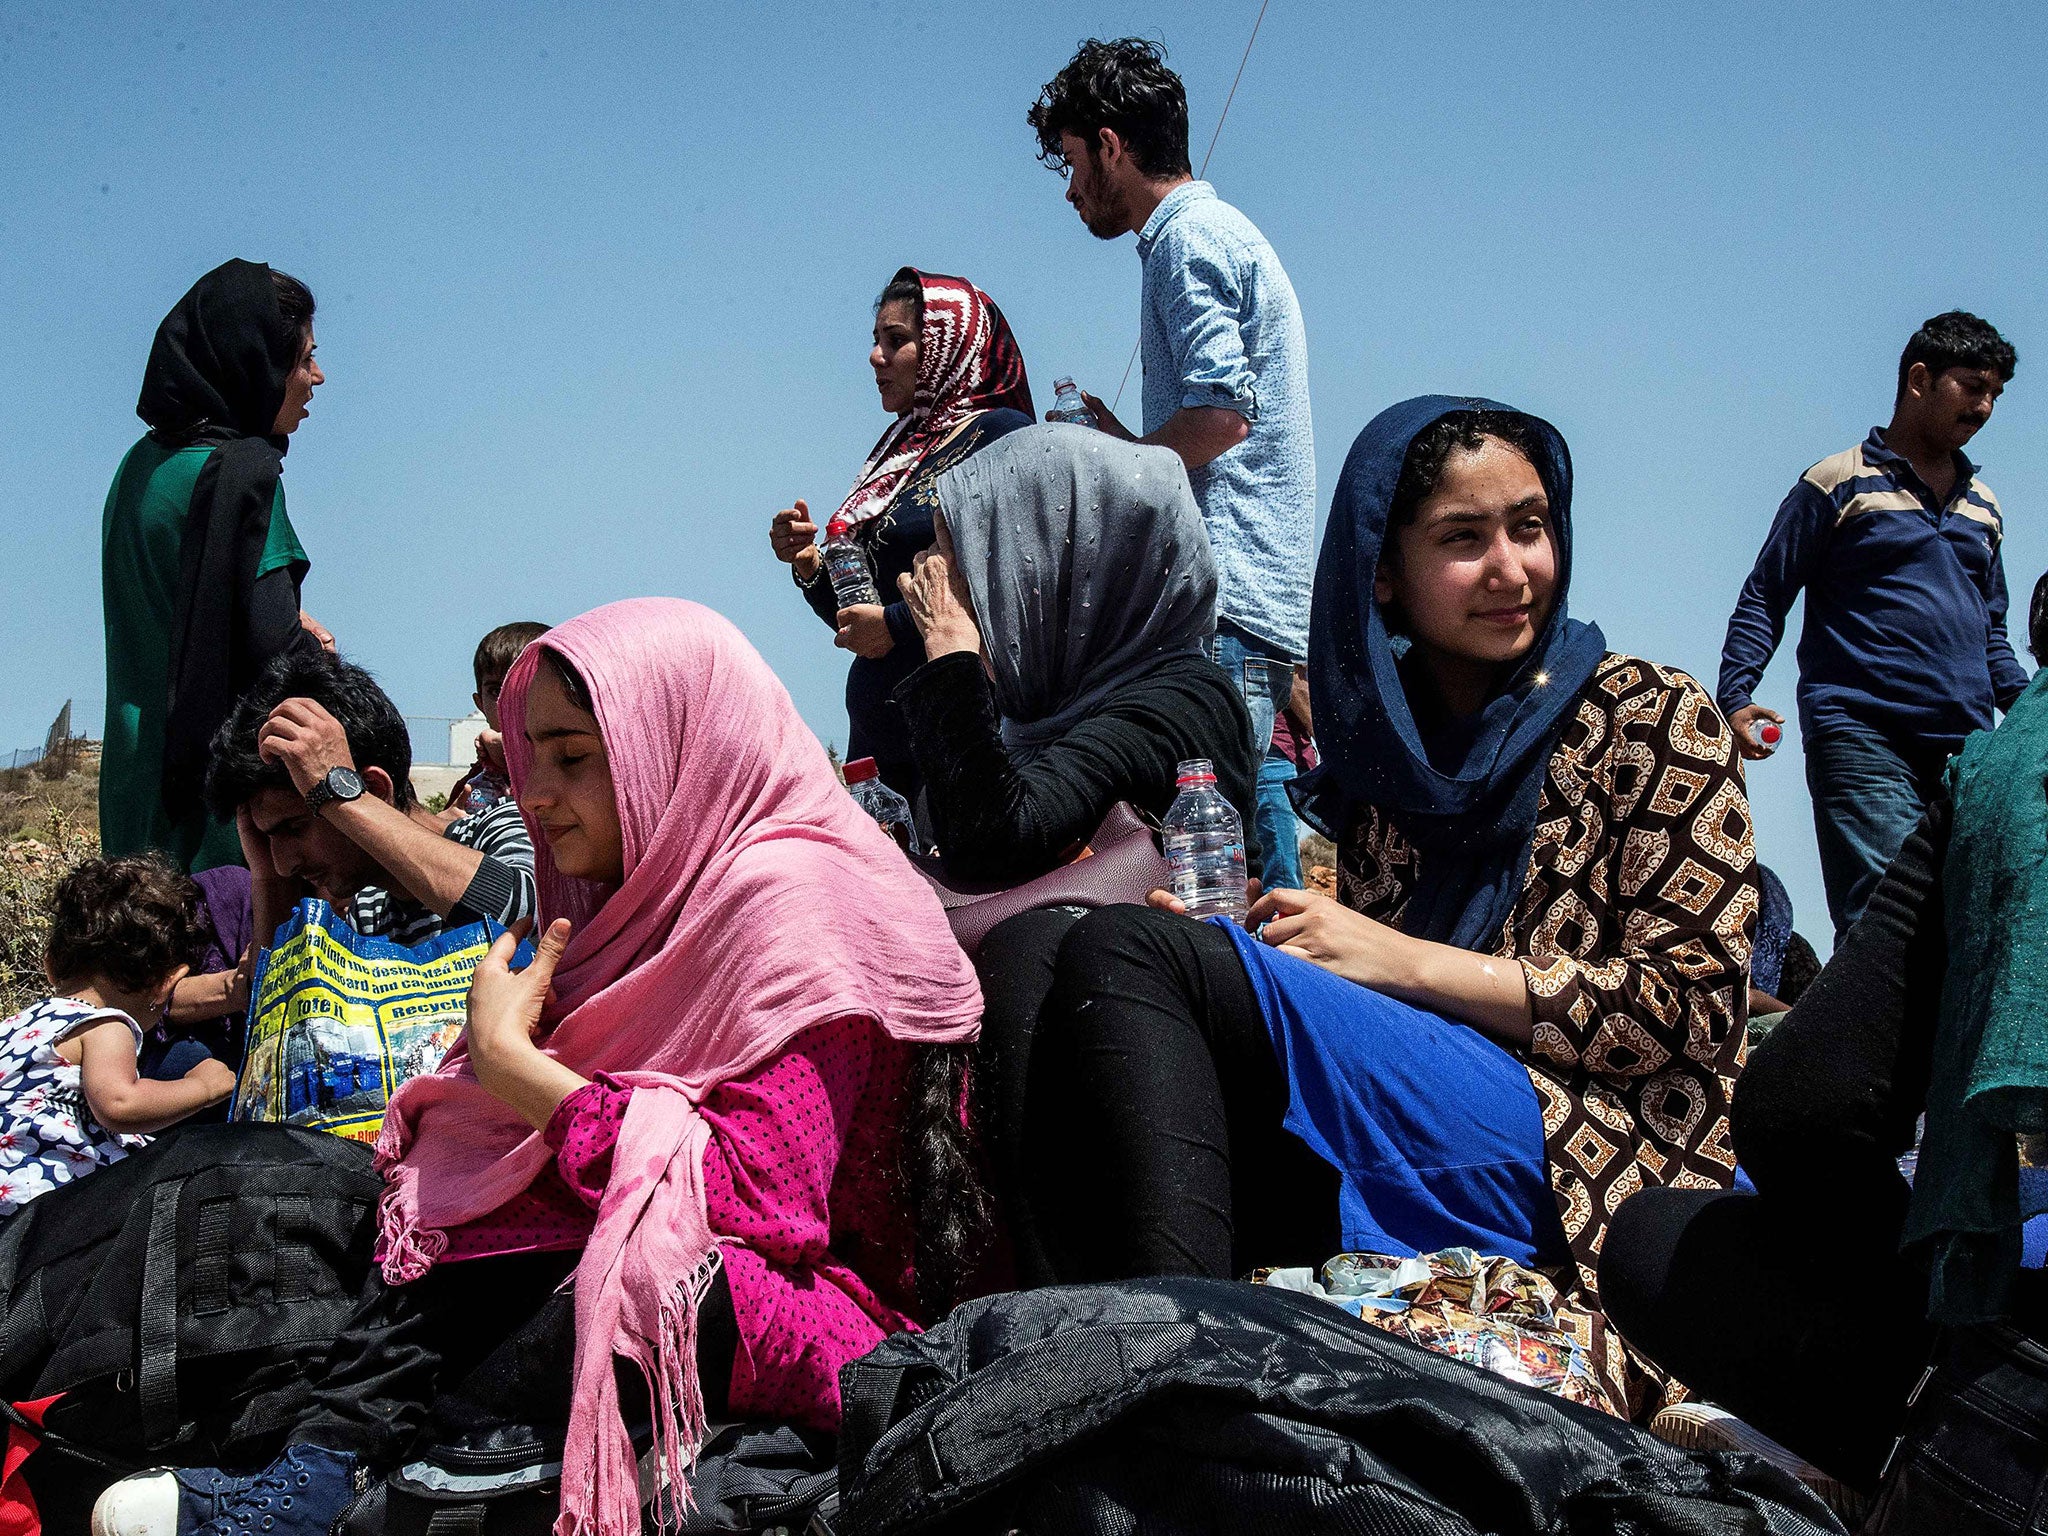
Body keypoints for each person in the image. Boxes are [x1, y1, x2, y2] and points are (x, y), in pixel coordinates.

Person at [89, 598, 986, 1536]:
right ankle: (329, 1470)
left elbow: (752, 1200)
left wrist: (514, 1067)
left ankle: (371, 1483)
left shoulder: (796, 904)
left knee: (612, 1254)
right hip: (697, 1267)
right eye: (531, 760)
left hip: (820, 1316)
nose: (537, 794)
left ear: (675, 745)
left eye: (574, 756)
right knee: (457, 1187)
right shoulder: (637, 905)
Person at [974, 401, 1756, 1382]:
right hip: (1430, 1120)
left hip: (1597, 1154)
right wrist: (1261, 963)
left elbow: (1688, 1008)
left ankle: (1169, 1387)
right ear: (1381, 576)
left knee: (1128, 953)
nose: (1512, 569)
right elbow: (1369, 1015)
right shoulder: (1393, 770)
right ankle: (1068, 1355)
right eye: (1463, 541)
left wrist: (1400, 963)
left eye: (1528, 526)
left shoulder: (1650, 714)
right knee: (1040, 945)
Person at [1598, 710, 2048, 1497]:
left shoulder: (2014, 769)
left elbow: (1805, 1103)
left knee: (1658, 1241)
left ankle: (1914, 1454)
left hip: (2001, 1398)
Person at [1029, 38, 1315, 800]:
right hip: (1244, 606)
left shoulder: (1186, 241)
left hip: (1223, 604)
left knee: (1199, 850)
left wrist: (1125, 463)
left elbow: (1223, 417)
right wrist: (1133, 443)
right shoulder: (1212, 233)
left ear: (1111, 147)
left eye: (1071, 162)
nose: (1070, 190)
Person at [1718, 311, 2023, 941]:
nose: (1986, 407)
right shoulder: (1838, 483)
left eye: (1996, 393)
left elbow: (1993, 631)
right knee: (1886, 923)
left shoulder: (1984, 507)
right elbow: (1766, 594)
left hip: (1968, 746)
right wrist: (1737, 696)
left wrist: (2027, 721)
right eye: (1972, 387)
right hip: (1862, 733)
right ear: (1919, 379)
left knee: (1967, 925)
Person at [890, 424, 1259, 887]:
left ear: (1050, 569)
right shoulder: (1044, 709)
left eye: (972, 560)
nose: (949, 579)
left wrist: (948, 642)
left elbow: (990, 847)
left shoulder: (1178, 702)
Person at [101, 259, 332, 873]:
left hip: (134, 790)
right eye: (302, 357)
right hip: (222, 818)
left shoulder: (138, 469)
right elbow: (275, 652)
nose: (316, 376)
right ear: (255, 360)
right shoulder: (241, 473)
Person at [768, 268, 1033, 801]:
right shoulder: (900, 453)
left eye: (897, 341)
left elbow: (1007, 584)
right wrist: (808, 562)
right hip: (882, 749)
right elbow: (854, 616)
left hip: (961, 735)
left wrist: (891, 624)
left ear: (944, 346)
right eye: (875, 341)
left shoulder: (1000, 437)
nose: (875, 357)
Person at [205, 651, 536, 953]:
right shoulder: (369, 913)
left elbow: (524, 921)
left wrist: (342, 797)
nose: (284, 864)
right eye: (269, 837)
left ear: (375, 790)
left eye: (294, 828)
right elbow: (288, 1010)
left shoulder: (501, 825)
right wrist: (269, 883)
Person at [0, 857, 237, 1217]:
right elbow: (119, 1103)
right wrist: (204, 1088)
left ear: (49, 963)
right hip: (45, 1212)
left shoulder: (17, 1026)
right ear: (166, 985)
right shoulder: (106, 1025)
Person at [448, 619, 551, 815]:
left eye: (525, 689)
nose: (508, 703)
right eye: (496, 691)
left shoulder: (576, 768)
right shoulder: (471, 787)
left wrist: (496, 741)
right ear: (480, 704)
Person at [1258, 665, 1315, 890]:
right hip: (1274, 752)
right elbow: (1294, 676)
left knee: (1279, 870)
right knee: (1281, 879)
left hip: (1285, 749)